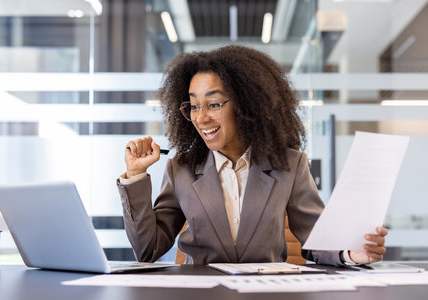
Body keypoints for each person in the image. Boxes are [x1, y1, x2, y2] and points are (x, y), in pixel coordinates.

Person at [116, 45, 387, 265]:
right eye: (194, 106)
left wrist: (351, 254)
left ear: (246, 105)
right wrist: (136, 176)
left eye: (213, 104)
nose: (201, 118)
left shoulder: (289, 165)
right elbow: (148, 250)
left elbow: (317, 240)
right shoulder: (181, 169)